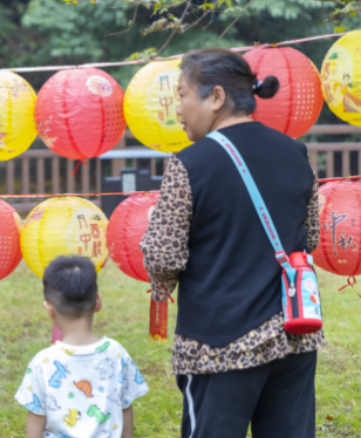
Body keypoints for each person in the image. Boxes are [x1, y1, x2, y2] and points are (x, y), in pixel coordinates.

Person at [140, 48, 324, 438]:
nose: (179, 109)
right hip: (294, 334)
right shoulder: (297, 153)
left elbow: (163, 256)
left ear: (217, 97)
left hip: (218, 343)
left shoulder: (190, 163)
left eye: (183, 95)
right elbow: (309, 238)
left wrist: (162, 283)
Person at [14, 256, 149, 438]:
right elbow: (125, 408)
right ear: (98, 302)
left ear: (49, 309)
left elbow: (37, 420)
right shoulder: (116, 352)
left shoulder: (42, 362)